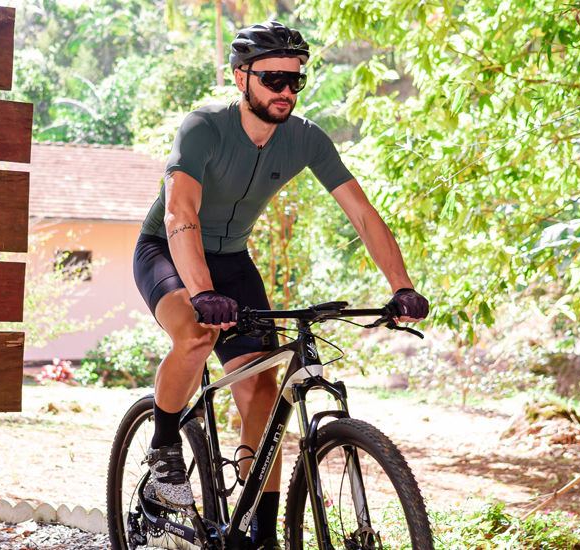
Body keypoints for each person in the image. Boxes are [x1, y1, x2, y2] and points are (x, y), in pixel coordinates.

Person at [132, 20, 429, 550]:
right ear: (240, 76)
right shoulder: (204, 126)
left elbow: (361, 215)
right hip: (169, 252)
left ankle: (256, 531)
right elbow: (180, 212)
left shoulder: (305, 139)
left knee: (263, 390)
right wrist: (201, 292)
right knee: (197, 337)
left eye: (296, 81)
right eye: (273, 79)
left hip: (233, 263)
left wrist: (401, 285)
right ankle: (163, 450)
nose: (287, 92)